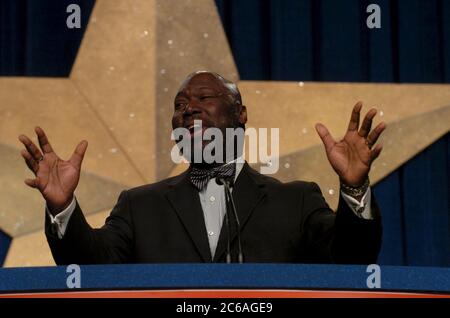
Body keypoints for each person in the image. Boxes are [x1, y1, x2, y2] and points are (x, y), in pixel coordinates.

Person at [19, 71, 386, 265]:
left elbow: (353, 259)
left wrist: (355, 188)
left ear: (240, 114)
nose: (188, 109)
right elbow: (91, 266)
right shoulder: (139, 207)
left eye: (204, 98)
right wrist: (62, 207)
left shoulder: (296, 201)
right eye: (180, 105)